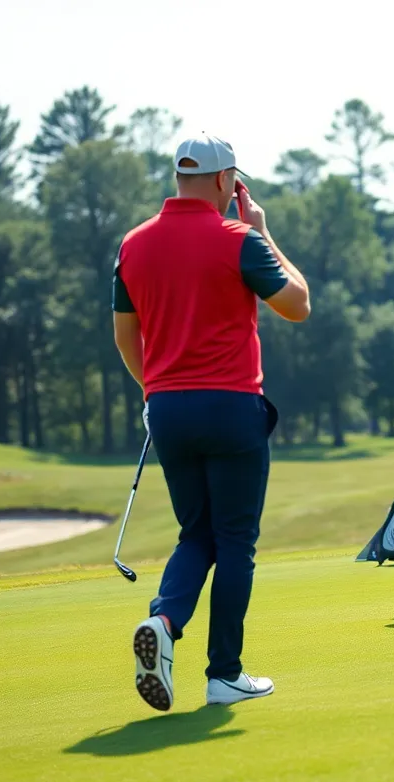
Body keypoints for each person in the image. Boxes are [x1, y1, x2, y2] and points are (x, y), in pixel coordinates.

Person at [112, 134, 311, 711]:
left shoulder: (133, 244)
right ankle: (224, 673)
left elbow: (126, 336)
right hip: (229, 406)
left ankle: (166, 621)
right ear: (226, 182)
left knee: (196, 532)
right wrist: (263, 230)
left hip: (167, 408)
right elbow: (297, 304)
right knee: (235, 541)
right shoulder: (239, 239)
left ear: (180, 178)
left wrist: (155, 390)